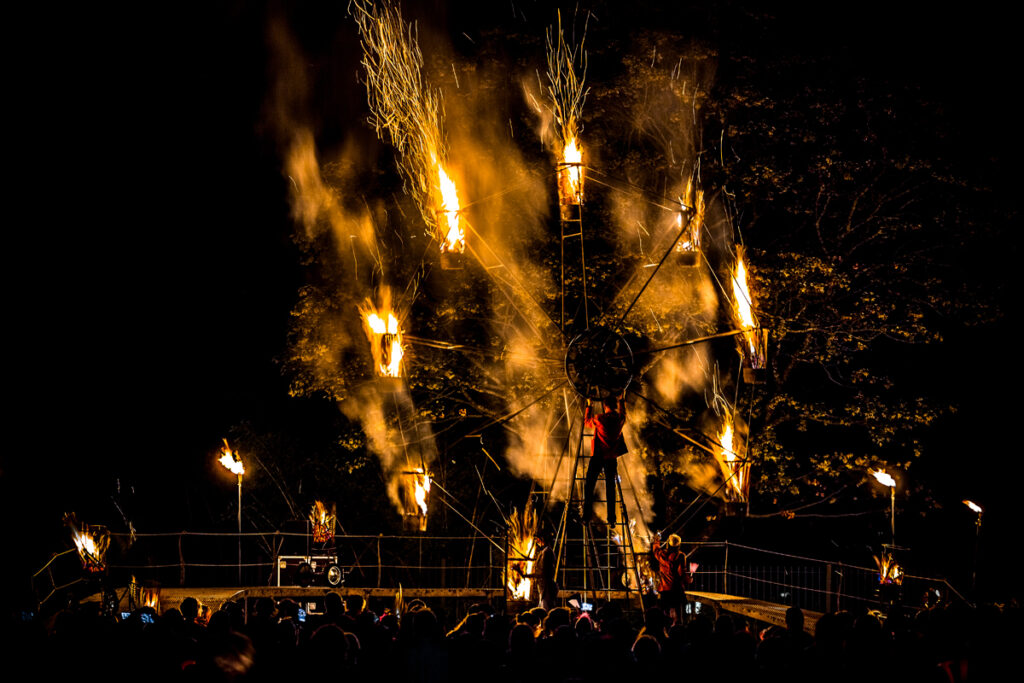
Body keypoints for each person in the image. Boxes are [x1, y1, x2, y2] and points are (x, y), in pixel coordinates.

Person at [582, 393, 627, 526]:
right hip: (611, 457)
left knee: (589, 486)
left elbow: (587, 422)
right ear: (615, 406)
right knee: (610, 489)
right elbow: (623, 412)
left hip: (598, 456)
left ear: (604, 406)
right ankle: (611, 519)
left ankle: (586, 517)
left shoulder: (600, 419)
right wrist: (622, 401)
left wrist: (589, 405)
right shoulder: (620, 418)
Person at [652, 533, 689, 624]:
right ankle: (677, 629)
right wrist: (689, 579)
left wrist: (657, 540)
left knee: (665, 613)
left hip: (664, 589)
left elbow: (656, 550)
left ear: (668, 543)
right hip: (676, 590)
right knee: (678, 613)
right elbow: (682, 573)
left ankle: (665, 629)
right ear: (678, 545)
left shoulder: (662, 555)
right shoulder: (681, 556)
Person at [521, 531, 558, 610]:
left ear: (542, 539)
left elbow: (543, 572)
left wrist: (527, 575)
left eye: (537, 539)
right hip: (544, 586)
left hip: (546, 586)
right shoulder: (544, 552)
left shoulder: (547, 552)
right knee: (543, 607)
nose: (537, 542)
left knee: (545, 608)